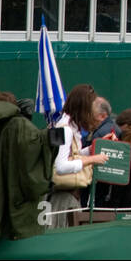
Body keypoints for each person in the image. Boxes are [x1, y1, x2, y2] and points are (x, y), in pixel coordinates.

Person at [48, 84, 109, 228]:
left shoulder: (66, 127)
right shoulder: (66, 129)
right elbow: (60, 167)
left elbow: (71, 155)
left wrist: (92, 148)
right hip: (63, 200)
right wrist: (92, 159)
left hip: (67, 197)